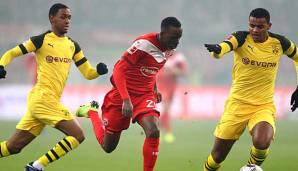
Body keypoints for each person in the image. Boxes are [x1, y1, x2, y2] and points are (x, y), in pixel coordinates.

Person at [0, 3, 108, 171]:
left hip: (43, 101)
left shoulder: (72, 45)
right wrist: (1, 65)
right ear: (52, 18)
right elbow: (11, 53)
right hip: (43, 98)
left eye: (69, 18)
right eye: (63, 17)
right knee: (78, 135)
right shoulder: (41, 40)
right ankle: (36, 166)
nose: (67, 21)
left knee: (12, 147)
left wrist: (98, 72)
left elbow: (87, 73)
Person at [76, 17, 182, 171]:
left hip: (144, 95)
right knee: (108, 146)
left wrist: (155, 89)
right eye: (173, 37)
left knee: (153, 131)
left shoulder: (169, 49)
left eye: (179, 38)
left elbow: (151, 69)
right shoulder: (144, 44)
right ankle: (91, 112)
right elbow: (119, 70)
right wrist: (126, 99)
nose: (177, 42)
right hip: (122, 95)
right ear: (163, 33)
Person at [203, 8, 298, 171]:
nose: (254, 30)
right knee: (217, 156)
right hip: (237, 105)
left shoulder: (280, 43)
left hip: (263, 106)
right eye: (252, 25)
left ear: (269, 26)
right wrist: (218, 51)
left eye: (260, 26)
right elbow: (225, 46)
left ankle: (250, 168)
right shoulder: (241, 37)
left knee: (262, 142)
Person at [157, 51, 187, 143]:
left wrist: (173, 71)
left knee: (166, 110)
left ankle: (159, 132)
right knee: (164, 109)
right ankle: (167, 132)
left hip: (171, 86)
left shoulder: (178, 57)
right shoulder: (158, 54)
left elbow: (184, 72)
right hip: (159, 85)